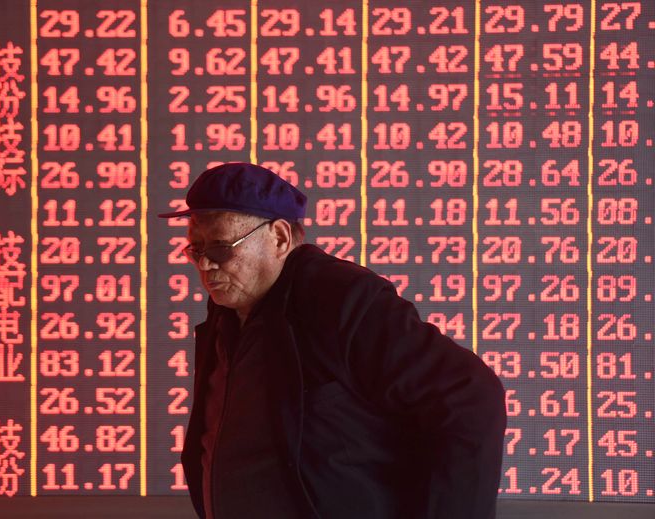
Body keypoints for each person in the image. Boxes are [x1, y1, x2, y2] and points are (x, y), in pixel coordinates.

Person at [158, 162, 506, 519]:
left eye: (220, 248)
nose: (205, 266)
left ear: (279, 237)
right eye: (195, 250)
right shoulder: (227, 312)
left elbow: (471, 396)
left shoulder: (341, 299)